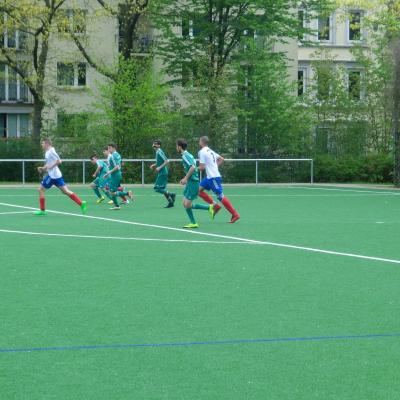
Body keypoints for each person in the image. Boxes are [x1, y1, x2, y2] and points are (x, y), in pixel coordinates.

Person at [34, 138, 87, 215]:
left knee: (40, 189)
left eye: (42, 143)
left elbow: (59, 161)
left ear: (47, 144)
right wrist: (43, 168)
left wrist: (51, 167)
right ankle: (81, 203)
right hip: (55, 175)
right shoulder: (47, 152)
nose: (41, 145)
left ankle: (42, 211)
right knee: (65, 191)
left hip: (53, 176)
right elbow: (49, 163)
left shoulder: (51, 151)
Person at [198, 136, 240, 223]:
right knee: (198, 191)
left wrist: (192, 169)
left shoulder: (202, 152)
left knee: (220, 196)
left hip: (213, 177)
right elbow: (221, 159)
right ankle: (215, 205)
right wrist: (214, 166)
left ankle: (235, 214)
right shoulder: (210, 150)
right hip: (210, 177)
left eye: (199, 141)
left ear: (201, 142)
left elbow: (201, 167)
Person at [176, 138, 212, 229]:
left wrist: (185, 178)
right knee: (185, 203)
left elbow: (192, 167)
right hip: (190, 182)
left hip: (193, 182)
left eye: (176, 146)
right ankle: (207, 209)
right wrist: (186, 179)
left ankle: (195, 221)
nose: (176, 147)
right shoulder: (188, 154)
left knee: (187, 204)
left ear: (179, 147)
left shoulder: (185, 155)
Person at [103, 143, 132, 210]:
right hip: (115, 175)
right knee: (111, 191)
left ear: (113, 148)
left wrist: (108, 173)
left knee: (112, 192)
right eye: (108, 148)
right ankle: (118, 204)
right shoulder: (117, 154)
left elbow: (117, 166)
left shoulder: (113, 155)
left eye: (109, 148)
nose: (108, 149)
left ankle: (125, 195)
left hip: (115, 175)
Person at [150, 139, 175, 208]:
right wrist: (154, 165)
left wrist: (159, 168)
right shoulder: (157, 151)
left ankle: (171, 194)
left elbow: (167, 161)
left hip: (163, 172)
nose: (154, 145)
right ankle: (171, 203)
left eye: (155, 144)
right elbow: (160, 161)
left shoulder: (159, 151)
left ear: (159, 145)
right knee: (162, 189)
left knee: (157, 188)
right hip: (162, 172)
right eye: (153, 144)